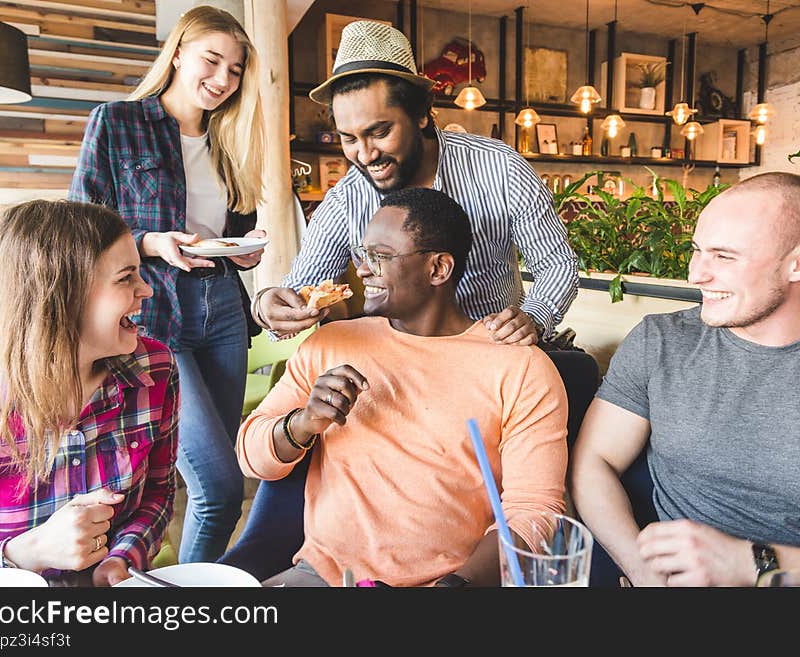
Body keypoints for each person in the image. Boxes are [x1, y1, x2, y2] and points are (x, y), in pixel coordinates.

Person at [236, 188, 569, 587]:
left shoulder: (520, 367)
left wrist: (456, 586)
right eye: (362, 255)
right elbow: (250, 459)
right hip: (325, 577)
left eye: (380, 256)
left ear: (438, 269)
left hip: (454, 584)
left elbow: (534, 512)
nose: (361, 270)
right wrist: (303, 423)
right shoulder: (329, 343)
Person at [569, 172, 800, 587]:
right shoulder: (661, 340)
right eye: (697, 251)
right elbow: (593, 462)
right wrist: (643, 571)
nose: (696, 274)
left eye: (724, 256)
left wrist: (752, 564)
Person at [69, 5, 266, 563]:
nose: (223, 80)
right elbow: (81, 222)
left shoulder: (229, 139)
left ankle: (179, 589)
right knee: (220, 487)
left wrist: (248, 251)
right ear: (178, 52)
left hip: (224, 309)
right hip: (153, 313)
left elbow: (237, 230)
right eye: (212, 61)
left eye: (236, 69)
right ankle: (185, 598)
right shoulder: (118, 121)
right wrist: (151, 243)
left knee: (206, 480)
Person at [253, 20, 578, 346]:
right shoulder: (346, 199)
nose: (365, 155)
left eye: (379, 132)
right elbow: (301, 288)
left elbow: (558, 263)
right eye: (349, 138)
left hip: (493, 357)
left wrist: (535, 317)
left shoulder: (500, 167)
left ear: (422, 113)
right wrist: (268, 305)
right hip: (396, 364)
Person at [0, 199, 177, 587]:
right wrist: (28, 554)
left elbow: (157, 493)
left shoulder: (155, 370)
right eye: (126, 277)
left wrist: (122, 557)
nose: (146, 290)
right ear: (60, 294)